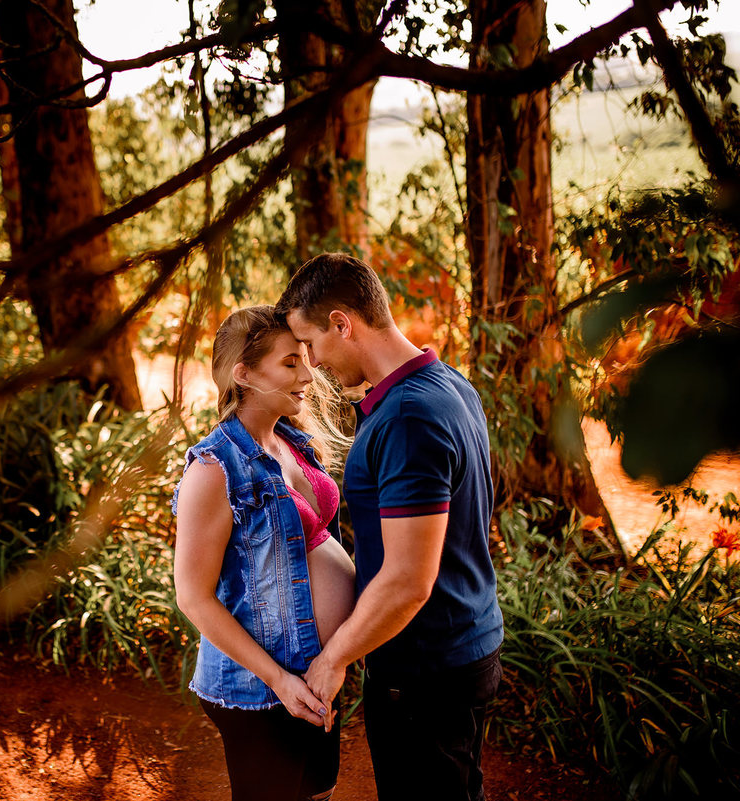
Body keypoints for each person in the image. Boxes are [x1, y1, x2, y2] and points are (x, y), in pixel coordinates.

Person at [275, 253, 504, 801]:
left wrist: (333, 661)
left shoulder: (407, 418)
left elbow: (407, 580)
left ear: (342, 324)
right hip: (461, 648)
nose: (311, 364)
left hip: (425, 670)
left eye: (310, 344)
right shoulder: (448, 385)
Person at [173, 305, 357, 801]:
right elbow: (192, 597)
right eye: (290, 363)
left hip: (315, 671)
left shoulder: (293, 442)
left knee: (318, 792)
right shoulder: (214, 470)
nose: (307, 374)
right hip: (262, 688)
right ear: (245, 374)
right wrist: (279, 680)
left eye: (305, 358)